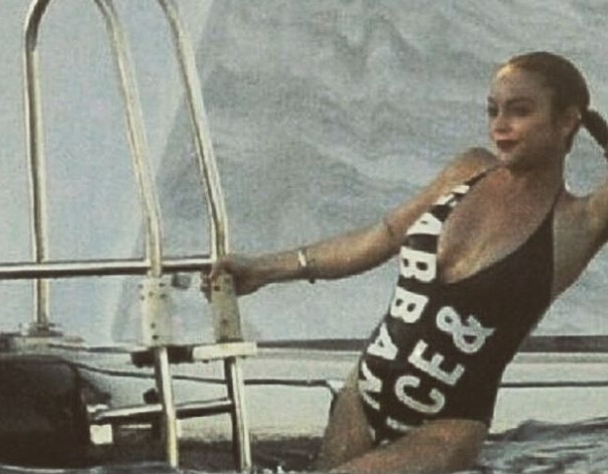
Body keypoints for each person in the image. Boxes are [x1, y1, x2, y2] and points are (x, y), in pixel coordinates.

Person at [202, 51, 608, 473]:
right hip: (361, 398)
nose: (499, 126)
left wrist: (599, 128)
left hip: (442, 434)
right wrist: (265, 269)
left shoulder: (578, 223)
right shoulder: (468, 170)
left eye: (519, 111)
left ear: (566, 121)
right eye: (493, 110)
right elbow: (382, 235)